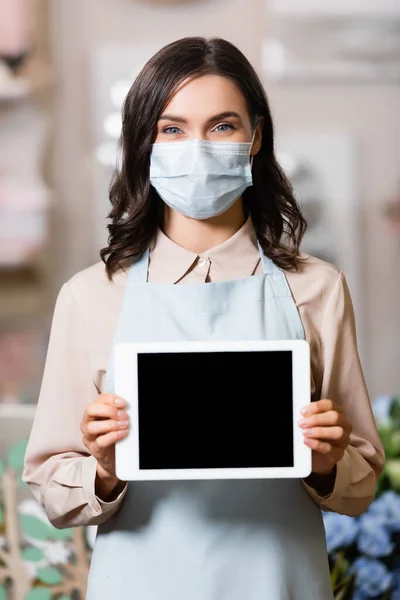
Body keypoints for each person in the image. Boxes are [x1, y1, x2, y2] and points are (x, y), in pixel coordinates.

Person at [22, 37, 384, 600]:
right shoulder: (90, 296)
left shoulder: (317, 289)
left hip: (280, 582)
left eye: (221, 126)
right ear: (145, 142)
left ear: (256, 136)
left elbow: (361, 482)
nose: (197, 147)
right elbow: (49, 486)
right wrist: (105, 468)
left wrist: (324, 464)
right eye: (172, 129)